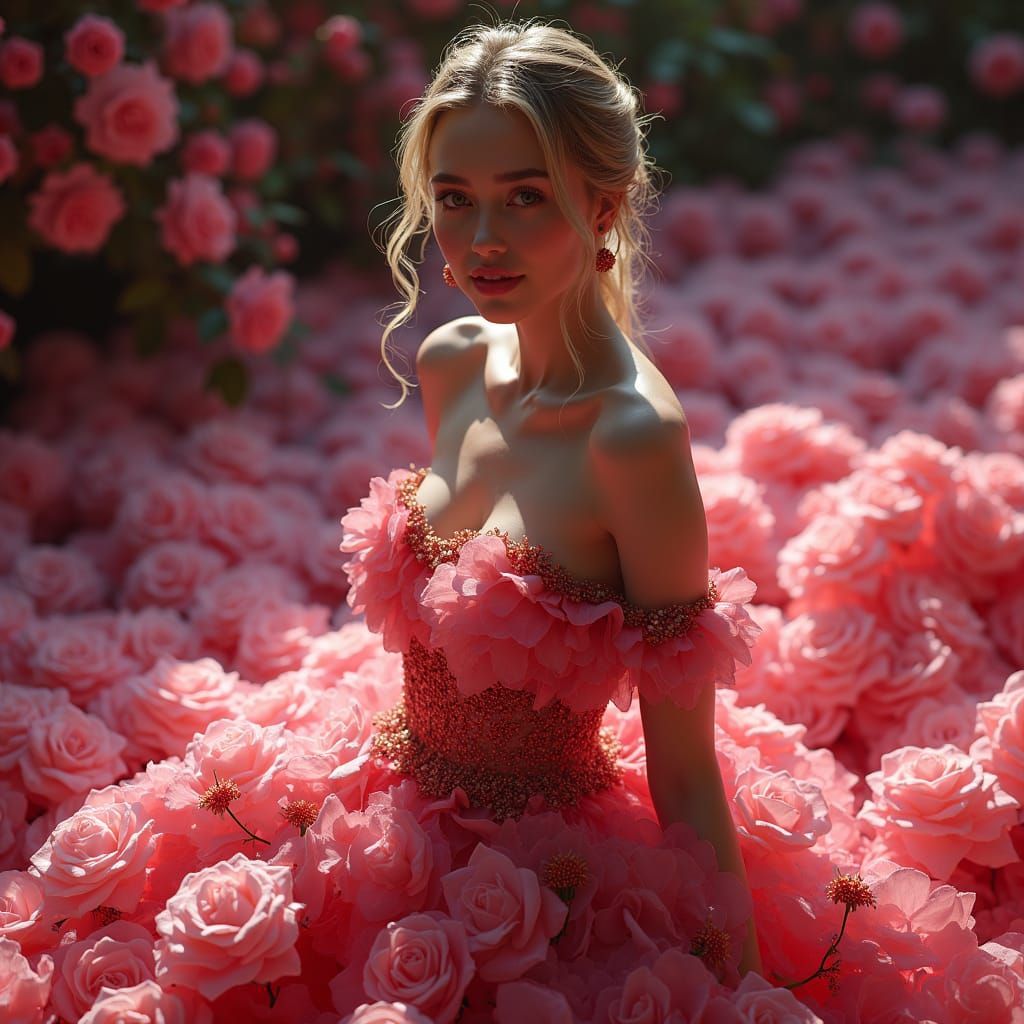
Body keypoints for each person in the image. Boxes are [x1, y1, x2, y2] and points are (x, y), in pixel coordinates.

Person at [342, 18, 765, 1011]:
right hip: (389, 836)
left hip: (550, 892)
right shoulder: (452, 362)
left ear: (602, 204)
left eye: (524, 196)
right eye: (455, 198)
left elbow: (686, 771)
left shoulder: (632, 437)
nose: (481, 240)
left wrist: (746, 991)